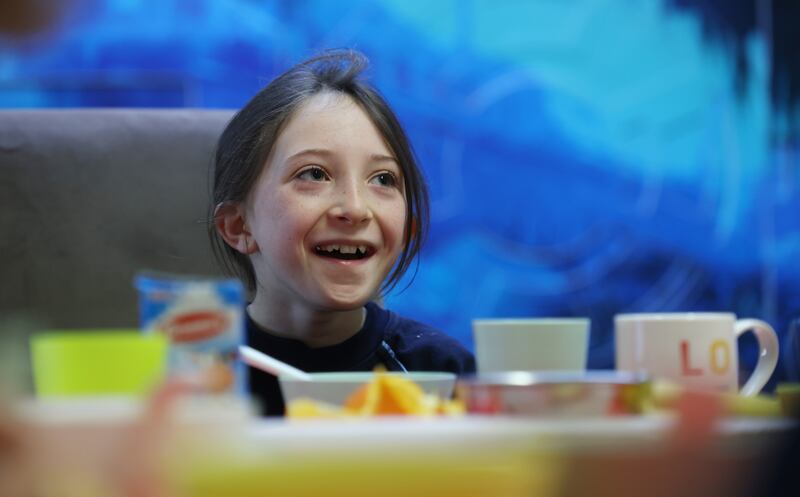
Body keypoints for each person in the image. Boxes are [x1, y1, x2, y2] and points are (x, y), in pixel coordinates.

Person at [210, 49, 475, 416]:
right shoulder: (192, 376)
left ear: (407, 231)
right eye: (314, 174)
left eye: (383, 179)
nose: (355, 209)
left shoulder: (443, 375)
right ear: (239, 226)